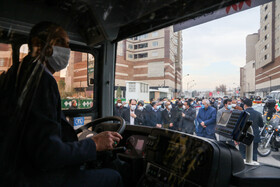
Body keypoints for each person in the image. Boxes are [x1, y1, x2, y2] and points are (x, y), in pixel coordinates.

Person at [0, 22, 122, 186]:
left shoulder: (18, 72)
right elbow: (47, 154)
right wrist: (94, 143)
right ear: (39, 44)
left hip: (16, 170)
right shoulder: (42, 81)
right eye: (61, 42)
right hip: (35, 178)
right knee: (114, 177)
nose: (67, 48)